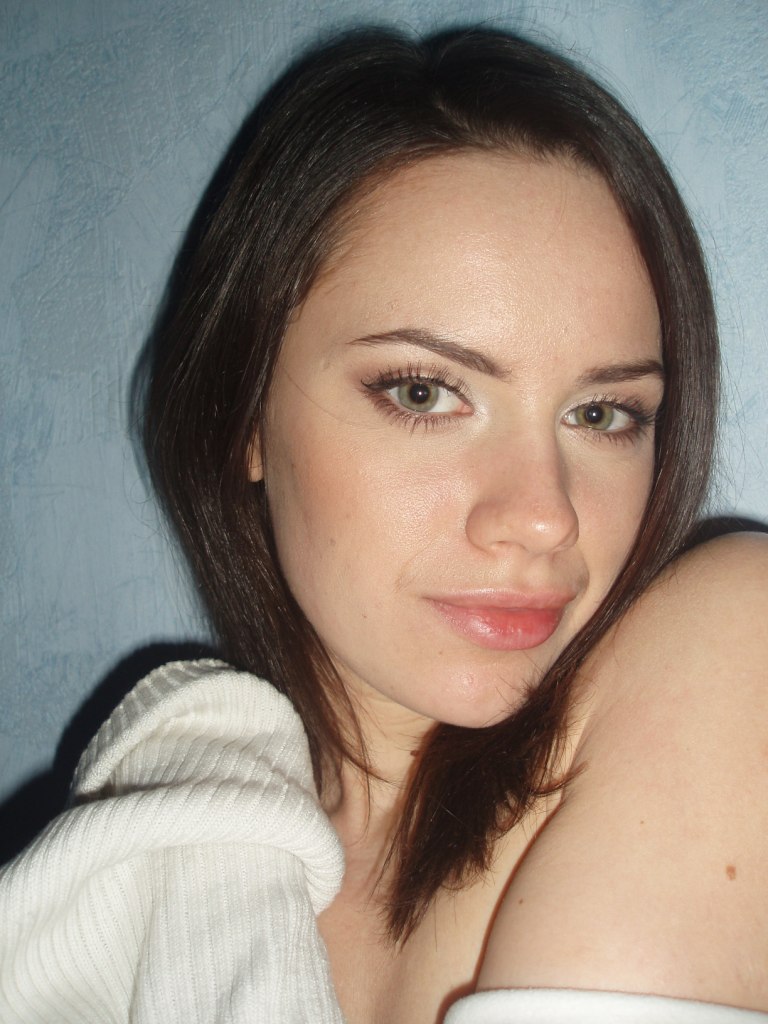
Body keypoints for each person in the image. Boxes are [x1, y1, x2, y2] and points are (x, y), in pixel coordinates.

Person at [1, 26, 766, 1024]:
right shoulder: (156, 843)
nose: (543, 516)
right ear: (245, 418)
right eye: (423, 391)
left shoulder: (735, 642)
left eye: (601, 413)